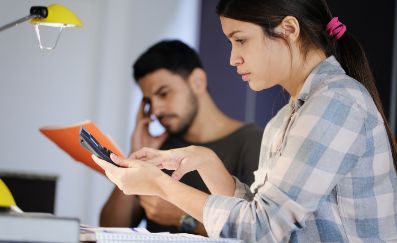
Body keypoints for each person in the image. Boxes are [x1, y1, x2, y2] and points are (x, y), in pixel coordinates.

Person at [93, 0, 397, 242]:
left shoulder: (337, 102)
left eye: (240, 40)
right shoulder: (284, 119)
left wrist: (162, 186)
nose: (232, 58)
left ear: (289, 30)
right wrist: (207, 161)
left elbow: (261, 230)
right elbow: (261, 214)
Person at [99, 40, 263, 235]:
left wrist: (182, 218)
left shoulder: (252, 143)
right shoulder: (159, 148)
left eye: (164, 93)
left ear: (197, 82)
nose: (156, 110)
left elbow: (256, 232)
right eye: (148, 101)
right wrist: (133, 154)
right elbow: (110, 229)